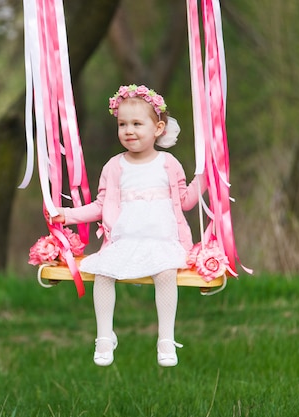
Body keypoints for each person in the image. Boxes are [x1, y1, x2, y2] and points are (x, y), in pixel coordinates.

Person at [51, 84, 206, 367]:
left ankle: (166, 339)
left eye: (137, 123)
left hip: (162, 241)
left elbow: (184, 201)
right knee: (104, 274)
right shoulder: (114, 166)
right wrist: (67, 214)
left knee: (166, 274)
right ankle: (104, 337)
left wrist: (206, 179)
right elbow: (100, 206)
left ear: (158, 128)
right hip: (125, 242)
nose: (128, 130)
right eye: (122, 124)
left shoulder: (168, 164)